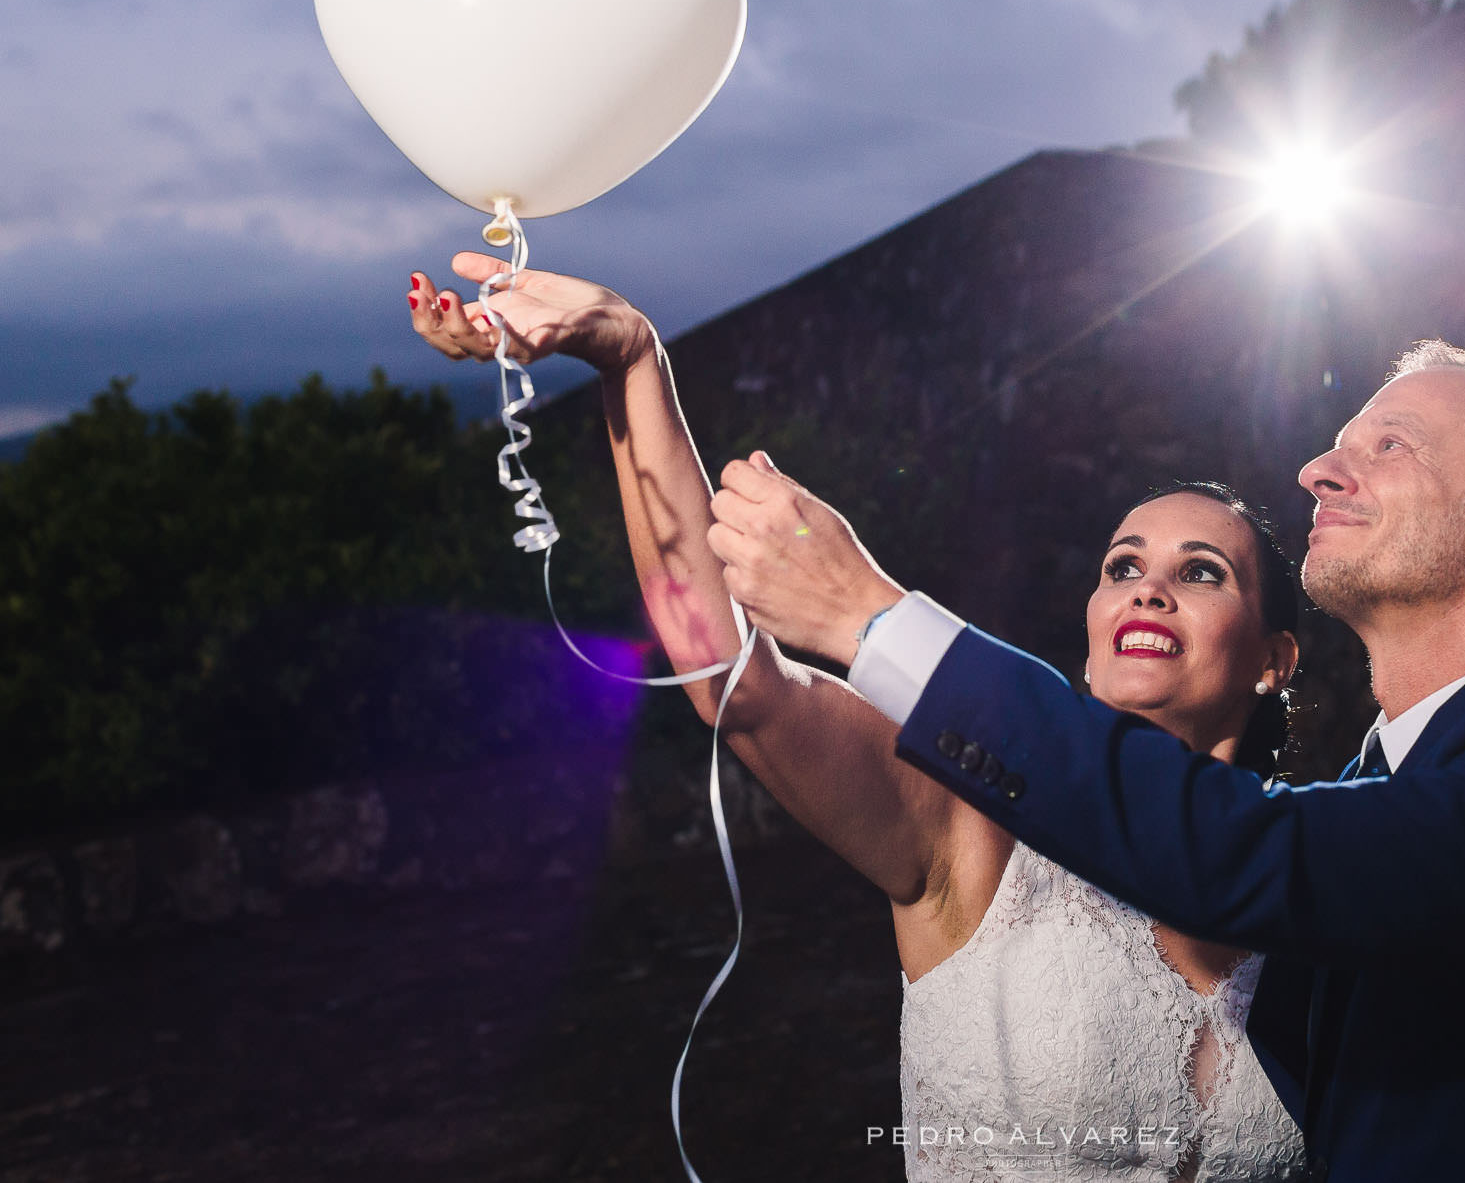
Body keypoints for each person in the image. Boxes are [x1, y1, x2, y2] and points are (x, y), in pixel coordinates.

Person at [708, 342, 1465, 1183]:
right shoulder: (1374, 790)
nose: (1317, 472)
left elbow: (1238, 851)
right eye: (1337, 445)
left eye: (1389, 445)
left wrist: (873, 620)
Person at [406, 254, 1310, 1181]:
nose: (1148, 590)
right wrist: (633, 361)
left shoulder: (1325, 874)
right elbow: (738, 684)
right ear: (1089, 635)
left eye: (1202, 571)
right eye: (1122, 566)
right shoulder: (975, 822)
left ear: (1276, 658)